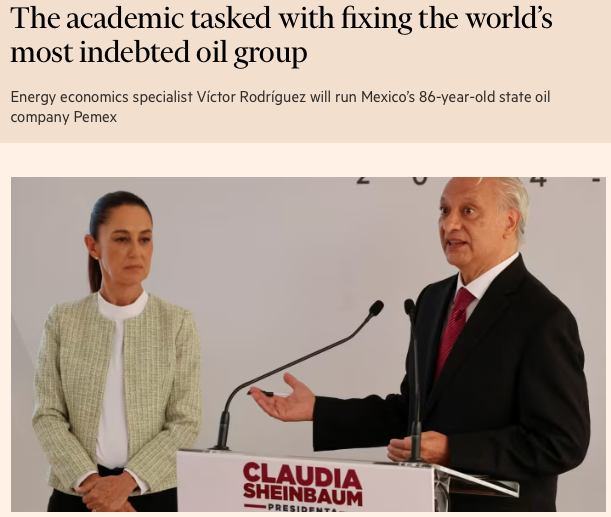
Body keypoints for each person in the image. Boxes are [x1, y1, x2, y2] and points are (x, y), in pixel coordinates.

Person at [251, 177, 590, 511]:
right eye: (444, 210)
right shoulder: (433, 299)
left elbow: (562, 442)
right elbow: (412, 411)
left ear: (509, 221)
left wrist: (452, 450)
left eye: (468, 210)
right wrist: (318, 410)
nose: (449, 224)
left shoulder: (543, 317)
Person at [33, 191, 202, 512]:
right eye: (122, 239)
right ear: (93, 246)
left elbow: (185, 420)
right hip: (77, 494)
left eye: (145, 239)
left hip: (153, 494)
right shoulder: (63, 320)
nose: (136, 251)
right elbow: (47, 413)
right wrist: (93, 486)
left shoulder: (177, 322)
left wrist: (125, 484)